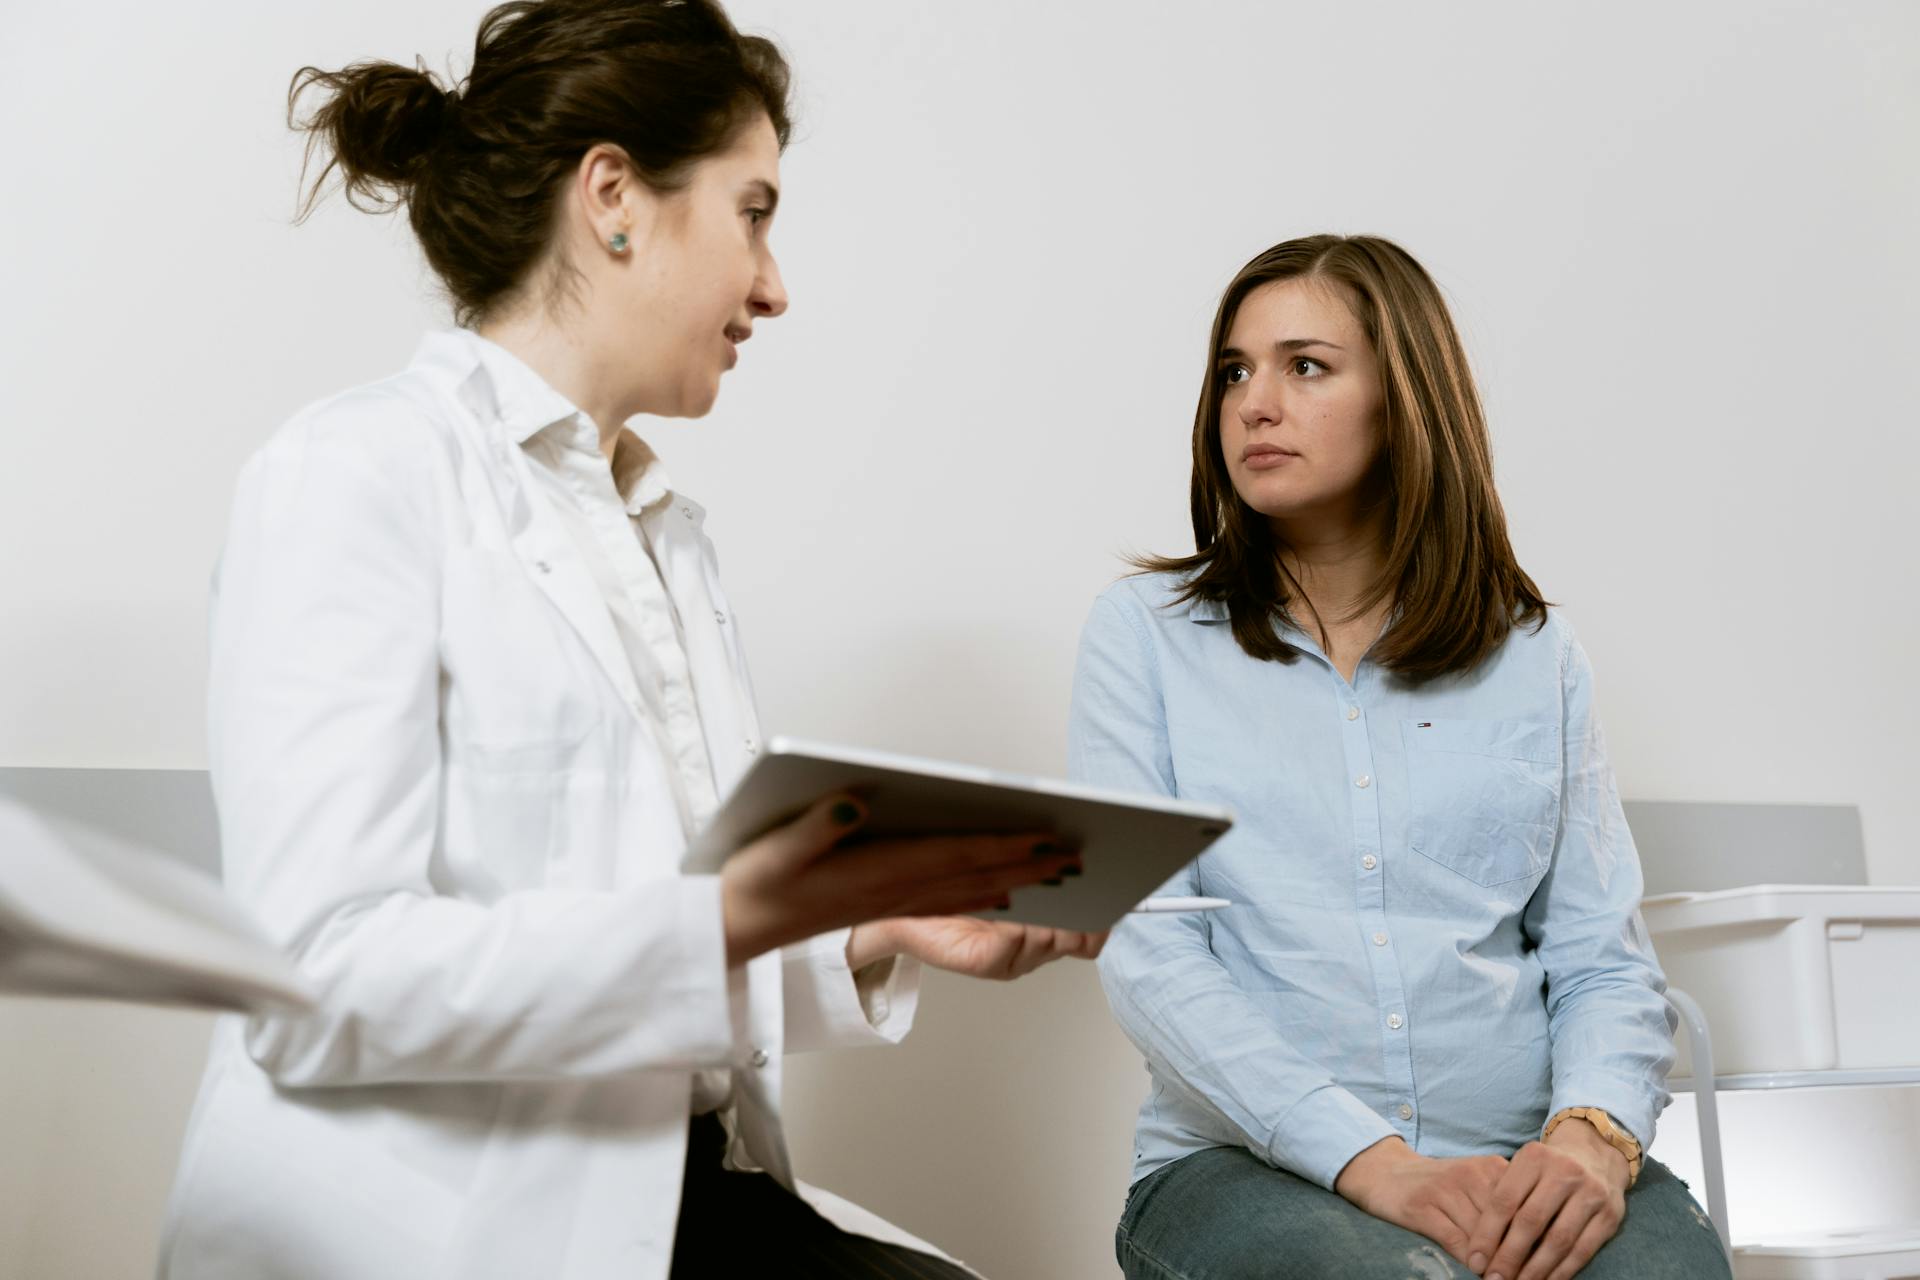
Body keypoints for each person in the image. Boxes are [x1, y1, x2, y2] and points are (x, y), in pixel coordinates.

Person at [157, 3, 1099, 1277]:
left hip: (669, 1195)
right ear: (614, 195)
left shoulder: (658, 529)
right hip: (439, 1225)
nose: (774, 284)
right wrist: (728, 912)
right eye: (752, 212)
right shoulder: (353, 473)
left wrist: (878, 921)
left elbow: (658, 953)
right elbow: (319, 975)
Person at [1070, 234, 1729, 1280]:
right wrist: (1374, 1163)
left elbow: (1600, 954)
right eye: (1234, 370)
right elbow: (1148, 954)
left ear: (1405, 398)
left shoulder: (1536, 655)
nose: (1253, 401)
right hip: (1244, 1168)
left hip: (1525, 1152)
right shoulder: (1144, 634)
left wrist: (1592, 1138)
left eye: (1306, 365)